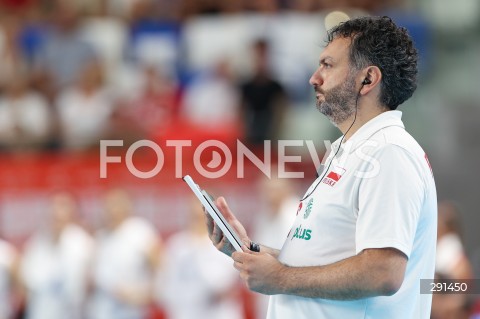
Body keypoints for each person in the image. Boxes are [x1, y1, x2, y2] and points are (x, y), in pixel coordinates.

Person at [205, 16, 437, 319]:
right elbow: (321, 259)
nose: (314, 78)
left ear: (368, 79)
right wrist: (248, 250)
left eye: (328, 65)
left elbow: (383, 271)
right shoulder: (350, 150)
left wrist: (279, 279)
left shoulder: (389, 153)